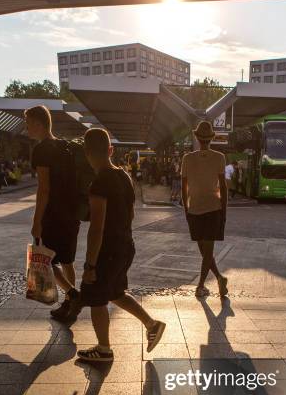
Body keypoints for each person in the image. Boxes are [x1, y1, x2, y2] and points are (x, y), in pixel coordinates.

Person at [77, 128, 166, 362]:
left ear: (87, 153)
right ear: (110, 150)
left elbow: (96, 228)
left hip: (107, 250)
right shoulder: (123, 176)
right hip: (126, 245)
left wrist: (90, 265)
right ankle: (152, 324)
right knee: (116, 292)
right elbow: (131, 213)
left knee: (96, 298)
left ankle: (104, 349)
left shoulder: (99, 183)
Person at [25, 105, 81, 322]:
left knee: (46, 260)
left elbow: (44, 188)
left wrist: (37, 220)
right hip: (72, 213)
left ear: (39, 123)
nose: (27, 127)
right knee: (67, 261)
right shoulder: (65, 146)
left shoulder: (41, 150)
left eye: (28, 123)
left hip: (54, 215)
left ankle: (73, 295)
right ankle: (69, 306)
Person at [181, 120, 228, 298]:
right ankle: (220, 278)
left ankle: (200, 285)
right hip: (214, 208)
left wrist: (185, 208)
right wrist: (224, 210)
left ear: (197, 137)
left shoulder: (187, 158)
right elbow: (223, 187)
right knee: (206, 251)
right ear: (211, 138)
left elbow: (184, 186)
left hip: (194, 209)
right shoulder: (219, 157)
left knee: (205, 250)